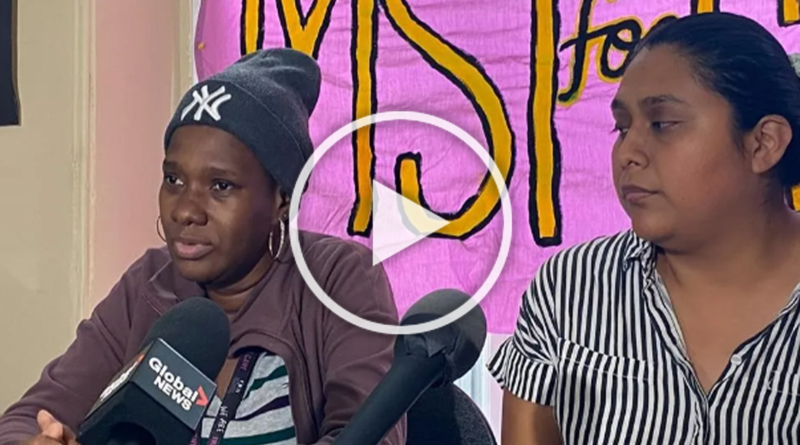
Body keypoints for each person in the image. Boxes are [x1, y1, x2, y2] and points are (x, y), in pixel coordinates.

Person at [0, 48, 406, 445]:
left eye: (220, 186)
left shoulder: (338, 279)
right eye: (173, 180)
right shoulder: (149, 285)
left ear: (281, 199)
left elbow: (369, 433)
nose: (186, 211)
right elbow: (26, 418)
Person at [489, 12, 800, 445]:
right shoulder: (570, 289)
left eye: (662, 124)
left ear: (763, 142)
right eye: (622, 128)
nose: (627, 153)